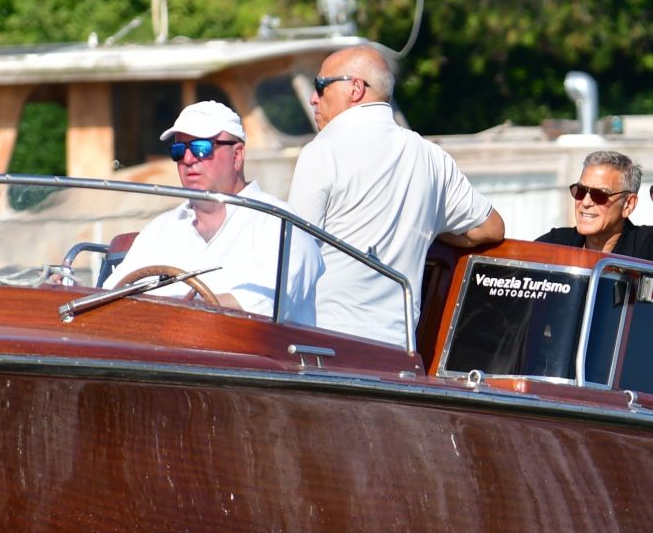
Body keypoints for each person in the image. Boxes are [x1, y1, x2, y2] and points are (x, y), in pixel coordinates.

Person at [288, 44, 505, 346]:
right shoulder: (431, 157)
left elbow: (295, 257)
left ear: (355, 88)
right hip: (397, 349)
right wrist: (426, 230)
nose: (314, 98)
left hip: (325, 343)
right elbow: (491, 228)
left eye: (321, 86)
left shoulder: (321, 151)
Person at [103, 101, 323, 324]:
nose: (188, 159)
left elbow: (266, 306)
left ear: (237, 155)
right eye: (179, 151)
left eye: (201, 148)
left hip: (255, 355)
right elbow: (110, 293)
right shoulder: (160, 228)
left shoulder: (280, 223)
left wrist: (176, 309)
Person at [536, 150, 653, 263]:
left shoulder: (650, 243)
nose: (585, 202)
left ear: (628, 204)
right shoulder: (556, 243)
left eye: (599, 195)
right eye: (580, 191)